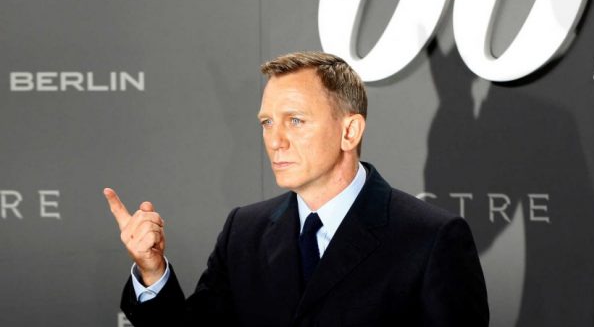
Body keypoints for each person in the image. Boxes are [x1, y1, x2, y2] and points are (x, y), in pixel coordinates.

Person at [104, 51, 489, 326]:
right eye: (267, 122)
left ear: (350, 131)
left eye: (296, 120)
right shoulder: (245, 231)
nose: (275, 141)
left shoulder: (430, 238)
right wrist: (152, 272)